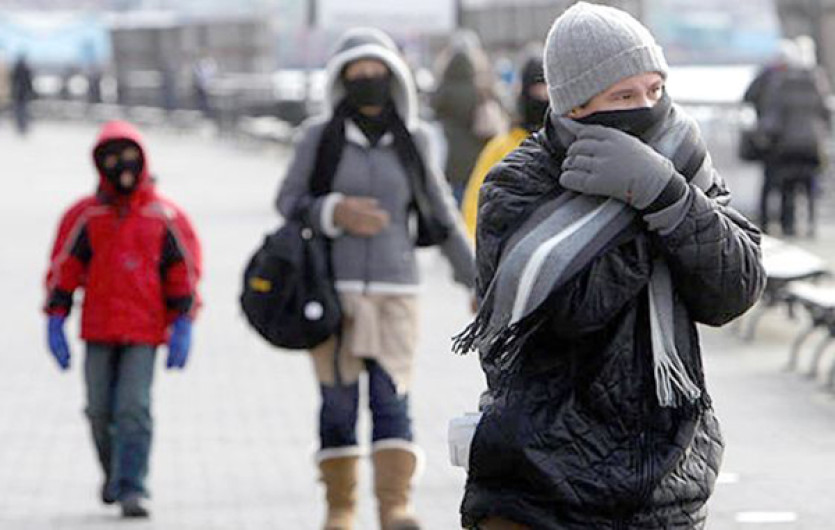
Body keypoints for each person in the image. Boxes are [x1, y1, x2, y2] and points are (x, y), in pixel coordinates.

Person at [454, 3, 766, 529]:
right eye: (624, 96)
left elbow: (735, 288)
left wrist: (667, 195)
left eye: (655, 90)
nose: (646, 108)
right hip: (542, 482)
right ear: (575, 106)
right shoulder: (518, 183)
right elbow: (572, 310)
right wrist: (645, 207)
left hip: (666, 479)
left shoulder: (681, 164)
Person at [276, 27, 475, 530]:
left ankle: (394, 507)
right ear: (341, 80)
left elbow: (442, 213)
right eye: (357, 73)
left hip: (396, 292)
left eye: (377, 72)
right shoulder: (319, 138)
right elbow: (287, 200)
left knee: (392, 400)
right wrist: (333, 211)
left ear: (395, 77)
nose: (368, 80)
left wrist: (477, 282)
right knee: (338, 404)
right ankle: (340, 508)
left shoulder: (418, 138)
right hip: (332, 293)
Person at [43, 120, 202, 518]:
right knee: (99, 409)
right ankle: (113, 472)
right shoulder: (87, 216)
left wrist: (184, 321)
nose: (122, 165)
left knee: (133, 406)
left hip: (145, 330)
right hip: (98, 329)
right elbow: (65, 267)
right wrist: (55, 316)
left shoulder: (163, 216)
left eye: (128, 156)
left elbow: (183, 271)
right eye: (111, 158)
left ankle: (133, 485)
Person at [744, 39, 830, 236]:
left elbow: (769, 112)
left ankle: (780, 225)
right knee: (808, 185)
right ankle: (809, 225)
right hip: (811, 143)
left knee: (781, 186)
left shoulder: (777, 79)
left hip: (783, 144)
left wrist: (763, 135)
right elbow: (824, 111)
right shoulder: (817, 80)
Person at [461, 50, 549, 240]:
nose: (543, 96)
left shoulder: (574, 145)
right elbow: (475, 202)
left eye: (547, 88)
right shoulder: (501, 148)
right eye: (536, 88)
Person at [432, 30, 507, 205]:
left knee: (456, 204)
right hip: (479, 158)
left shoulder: (442, 91)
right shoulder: (482, 89)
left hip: (451, 161)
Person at [11, 54, 35, 135]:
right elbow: (29, 82)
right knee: (24, 110)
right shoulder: (26, 68)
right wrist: (31, 92)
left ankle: (20, 126)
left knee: (19, 110)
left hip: (18, 93)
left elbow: (13, 81)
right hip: (24, 93)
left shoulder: (16, 68)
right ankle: (23, 126)